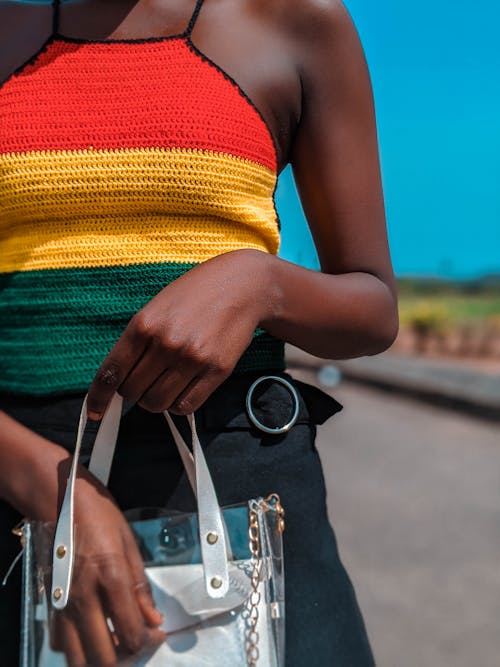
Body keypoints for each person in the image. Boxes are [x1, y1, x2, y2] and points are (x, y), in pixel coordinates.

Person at [0, 0, 398, 665]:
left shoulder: (295, 23)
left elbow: (372, 305)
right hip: (21, 501)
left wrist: (259, 284)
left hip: (247, 489)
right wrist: (49, 481)